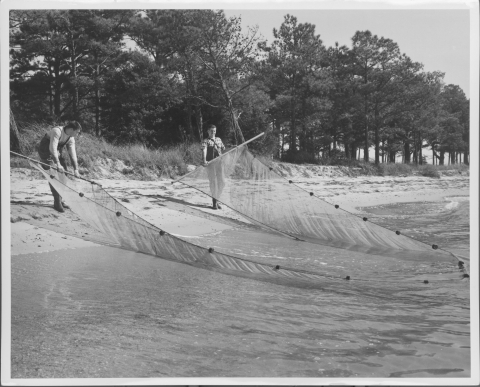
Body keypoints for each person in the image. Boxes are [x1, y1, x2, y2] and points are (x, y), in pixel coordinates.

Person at [37, 121, 82, 213]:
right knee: (54, 176)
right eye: (77, 132)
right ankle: (57, 203)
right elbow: (52, 148)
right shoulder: (56, 131)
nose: (78, 134)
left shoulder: (71, 138)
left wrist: (76, 170)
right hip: (46, 149)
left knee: (64, 176)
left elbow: (72, 154)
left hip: (57, 151)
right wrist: (57, 164)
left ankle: (60, 200)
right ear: (71, 129)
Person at [201, 125, 225, 210]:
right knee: (213, 183)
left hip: (219, 164)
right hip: (210, 164)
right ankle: (214, 203)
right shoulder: (205, 141)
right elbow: (204, 150)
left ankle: (217, 200)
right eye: (211, 131)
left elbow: (223, 149)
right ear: (208, 131)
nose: (213, 132)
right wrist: (204, 160)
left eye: (214, 131)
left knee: (222, 183)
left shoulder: (219, 139)